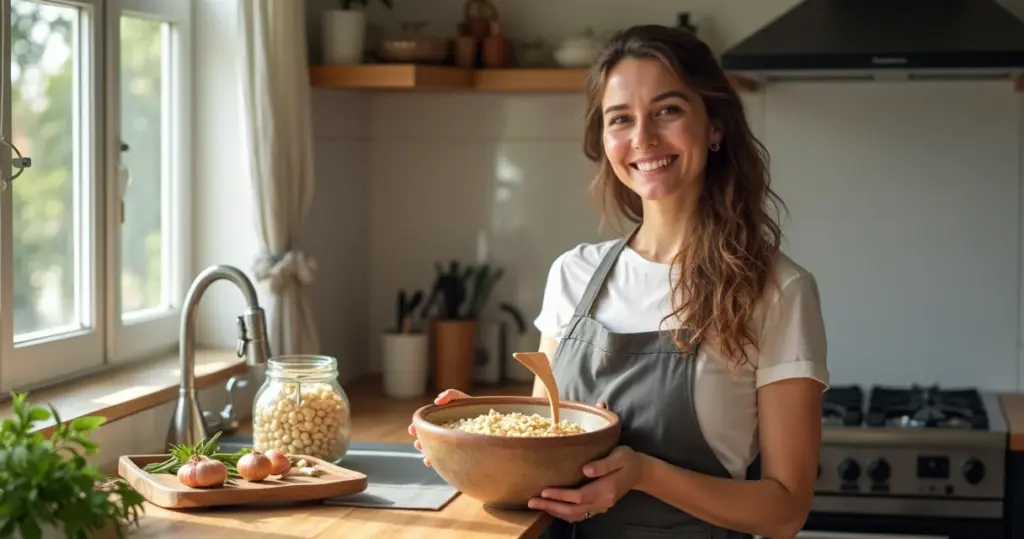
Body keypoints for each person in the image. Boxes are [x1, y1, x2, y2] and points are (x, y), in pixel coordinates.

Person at [409, 23, 829, 539]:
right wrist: (475, 436)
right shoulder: (573, 274)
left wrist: (645, 475)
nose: (643, 138)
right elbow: (541, 447)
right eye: (620, 119)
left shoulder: (778, 290)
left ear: (715, 124)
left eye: (668, 110)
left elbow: (786, 510)